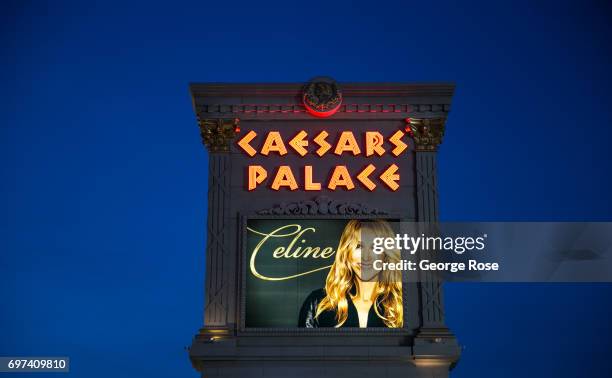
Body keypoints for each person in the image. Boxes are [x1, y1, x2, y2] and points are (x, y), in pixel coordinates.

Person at [298, 219, 403, 328]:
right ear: (346, 253)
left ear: (386, 255)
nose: (366, 257)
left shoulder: (402, 305)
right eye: (359, 246)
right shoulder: (317, 303)